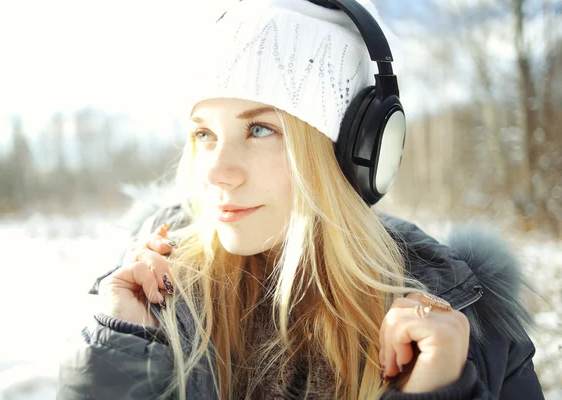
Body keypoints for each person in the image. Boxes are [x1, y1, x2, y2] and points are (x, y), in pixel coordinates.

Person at [57, 0, 544, 399]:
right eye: (204, 133)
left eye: (261, 128)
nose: (218, 173)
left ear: (357, 152)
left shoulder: (470, 325)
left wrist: (441, 392)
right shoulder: (150, 304)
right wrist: (121, 356)